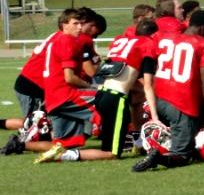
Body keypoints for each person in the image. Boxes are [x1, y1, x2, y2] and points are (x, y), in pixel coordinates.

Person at [40, 20, 160, 163]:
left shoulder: (122, 43)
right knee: (111, 153)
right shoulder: (147, 46)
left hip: (102, 94)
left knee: (112, 141)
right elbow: (147, 86)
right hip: (116, 99)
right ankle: (63, 154)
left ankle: (138, 144)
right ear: (154, 35)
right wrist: (155, 117)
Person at [133, 10, 204, 171]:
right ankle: (158, 156)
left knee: (188, 136)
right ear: (202, 28)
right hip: (181, 103)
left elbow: (147, 60)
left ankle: (157, 145)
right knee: (182, 155)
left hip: (158, 98)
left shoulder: (164, 37)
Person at [24, 9, 98, 162]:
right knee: (109, 101)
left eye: (81, 24)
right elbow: (69, 78)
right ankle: (128, 140)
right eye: (75, 23)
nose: (79, 27)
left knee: (64, 146)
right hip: (65, 96)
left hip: (53, 99)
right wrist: (91, 87)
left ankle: (21, 145)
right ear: (64, 25)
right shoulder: (67, 41)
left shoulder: (57, 39)